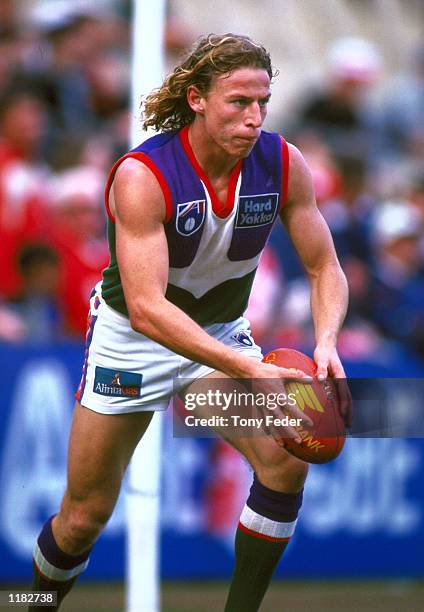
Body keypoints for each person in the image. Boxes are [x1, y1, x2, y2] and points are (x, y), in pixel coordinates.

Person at [30, 33, 349, 611]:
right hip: (133, 342)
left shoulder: (283, 162)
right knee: (83, 517)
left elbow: (324, 265)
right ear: (198, 99)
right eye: (238, 103)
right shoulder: (144, 175)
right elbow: (149, 308)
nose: (254, 119)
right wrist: (246, 365)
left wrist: (326, 341)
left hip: (221, 335)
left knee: (284, 462)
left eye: (262, 104)